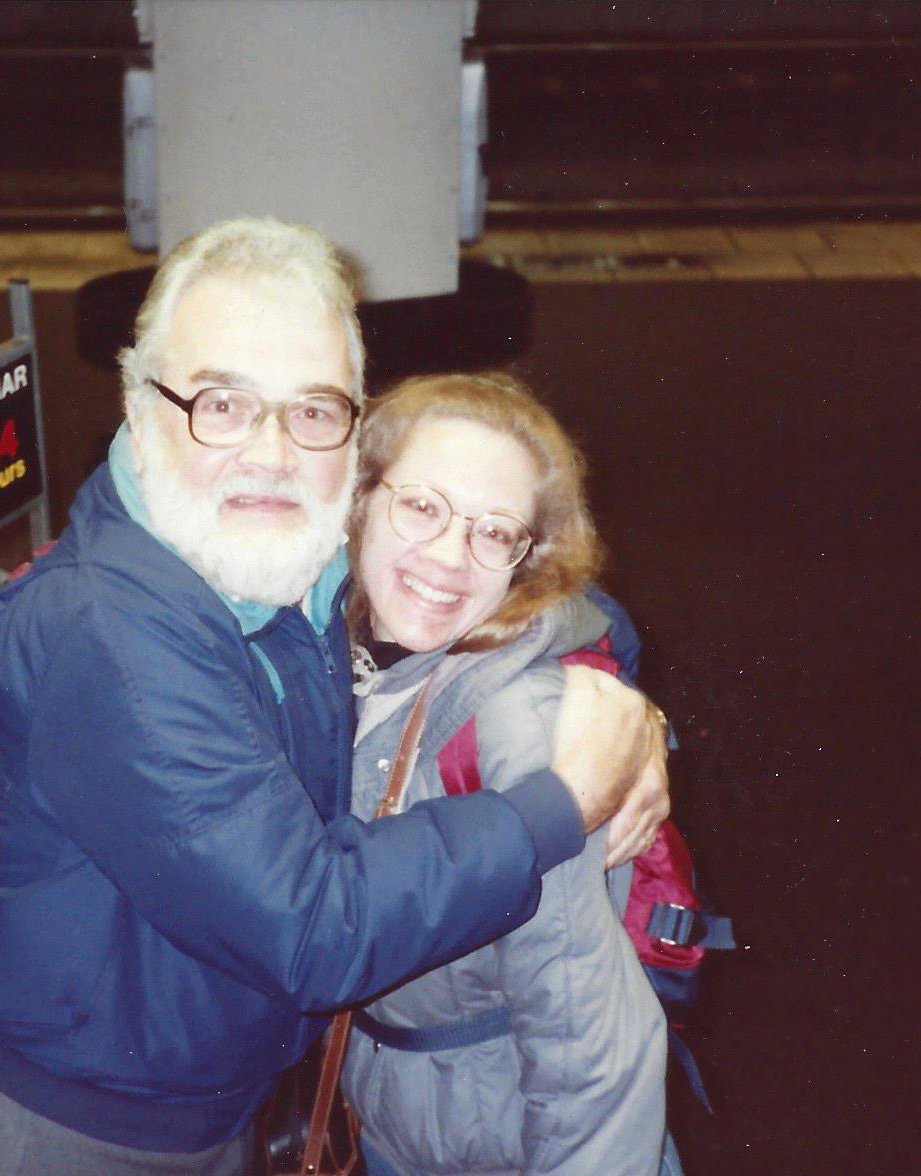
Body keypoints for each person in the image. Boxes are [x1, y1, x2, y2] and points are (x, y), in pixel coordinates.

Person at [0, 218, 669, 1176]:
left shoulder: (290, 551)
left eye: (311, 411)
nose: (271, 452)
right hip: (58, 1127)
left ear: (352, 429)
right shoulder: (106, 640)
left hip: (209, 1096)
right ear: (140, 410)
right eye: (222, 403)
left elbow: (506, 569)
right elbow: (311, 928)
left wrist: (611, 690)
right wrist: (559, 805)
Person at [339, 372, 671, 1176]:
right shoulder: (334, 642)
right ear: (357, 499)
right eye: (422, 507)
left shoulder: (524, 730)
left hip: (506, 1140)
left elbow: (590, 1044)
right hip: (393, 1115)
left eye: (495, 533)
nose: (450, 557)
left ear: (530, 559)